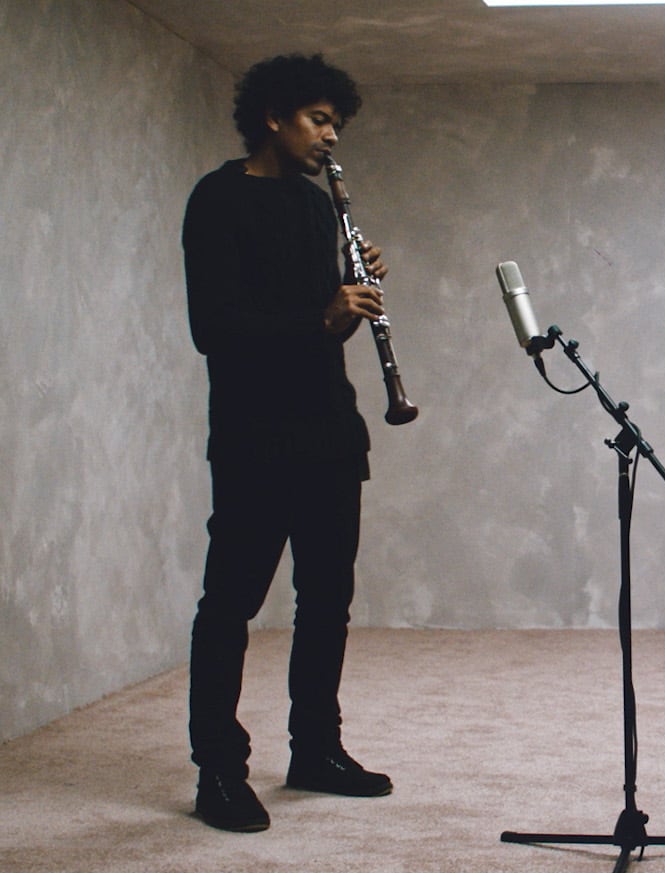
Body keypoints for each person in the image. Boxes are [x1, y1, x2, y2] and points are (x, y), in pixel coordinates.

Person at [183, 53, 394, 833]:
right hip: (253, 437)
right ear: (272, 116)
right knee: (230, 604)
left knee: (327, 602)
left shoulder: (316, 208)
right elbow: (217, 330)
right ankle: (218, 771)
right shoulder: (217, 200)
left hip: (329, 432)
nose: (330, 135)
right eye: (318, 119)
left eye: (335, 121)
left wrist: (348, 287)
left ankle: (315, 750)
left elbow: (320, 320)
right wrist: (325, 315)